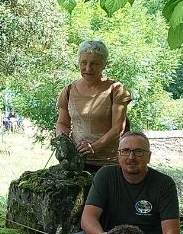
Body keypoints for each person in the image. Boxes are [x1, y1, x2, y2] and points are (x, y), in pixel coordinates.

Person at [56, 39, 131, 171]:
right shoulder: (68, 91)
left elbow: (118, 128)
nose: (88, 68)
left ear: (104, 64)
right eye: (83, 63)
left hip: (108, 164)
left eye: (94, 63)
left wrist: (93, 147)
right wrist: (64, 141)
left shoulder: (115, 90)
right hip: (76, 163)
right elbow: (62, 123)